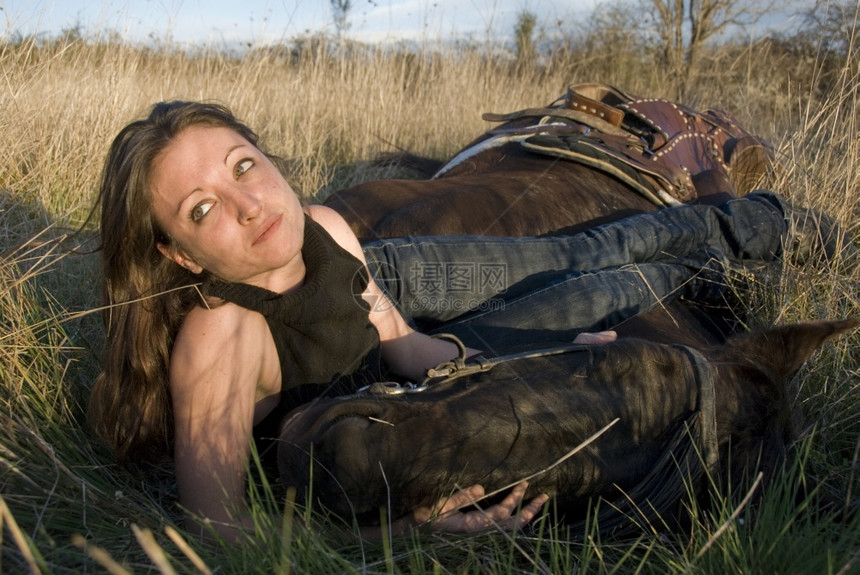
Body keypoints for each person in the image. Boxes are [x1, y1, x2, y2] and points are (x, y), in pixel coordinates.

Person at [87, 100, 794, 543]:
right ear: (178, 254)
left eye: (245, 165)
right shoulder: (220, 334)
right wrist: (395, 534)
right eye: (201, 210)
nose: (247, 204)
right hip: (400, 415)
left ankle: (775, 225)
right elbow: (218, 527)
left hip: (430, 361)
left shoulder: (328, 227)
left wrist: (533, 351)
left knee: (586, 260)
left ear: (267, 155)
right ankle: (743, 247)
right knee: (620, 280)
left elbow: (399, 342)